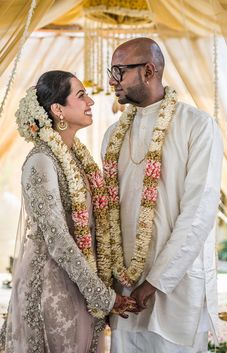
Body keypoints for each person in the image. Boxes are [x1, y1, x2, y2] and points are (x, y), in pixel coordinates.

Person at [0, 70, 138, 353]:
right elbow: (58, 238)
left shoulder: (77, 156)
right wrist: (103, 296)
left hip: (80, 282)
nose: (91, 101)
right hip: (52, 288)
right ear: (57, 109)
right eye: (81, 95)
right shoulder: (42, 160)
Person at [102, 38, 223, 353]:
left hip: (175, 290)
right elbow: (106, 216)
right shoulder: (113, 136)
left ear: (148, 71)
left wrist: (155, 282)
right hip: (125, 295)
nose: (112, 80)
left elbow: (199, 210)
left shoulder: (197, 126)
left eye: (119, 71)